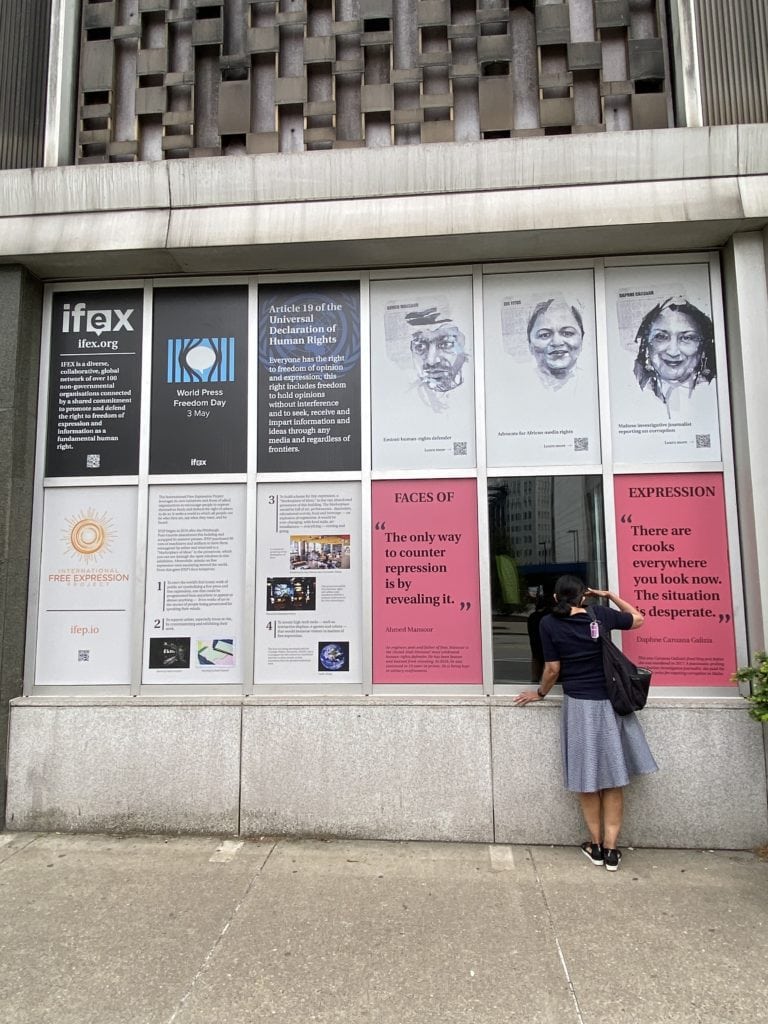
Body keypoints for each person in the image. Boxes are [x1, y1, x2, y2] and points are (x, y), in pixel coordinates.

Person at [514, 574, 657, 872]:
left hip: (580, 706)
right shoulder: (599, 614)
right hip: (612, 704)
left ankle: (594, 845)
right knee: (614, 779)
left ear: (556, 598)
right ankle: (612, 850)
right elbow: (637, 619)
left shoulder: (548, 623)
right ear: (585, 596)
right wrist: (609, 595)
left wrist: (540, 693)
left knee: (587, 780)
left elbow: (553, 669)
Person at [633, 297, 715, 412]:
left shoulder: (714, 392)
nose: (673, 352)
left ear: (703, 346)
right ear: (646, 345)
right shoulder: (633, 392)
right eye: (661, 337)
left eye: (687, 338)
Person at [405, 307, 468, 410]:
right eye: (420, 346)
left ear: (463, 348)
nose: (431, 361)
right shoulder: (405, 400)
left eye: (446, 344)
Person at [526, 298, 585, 389]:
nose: (557, 342)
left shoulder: (591, 382)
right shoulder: (520, 385)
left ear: (582, 340)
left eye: (567, 333)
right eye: (545, 335)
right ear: (530, 344)